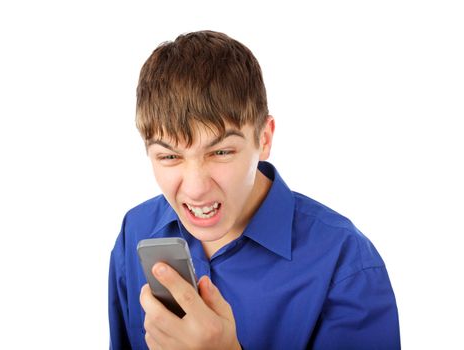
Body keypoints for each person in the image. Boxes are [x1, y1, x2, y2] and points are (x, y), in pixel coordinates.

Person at [108, 30, 400, 349]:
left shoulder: (347, 264)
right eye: (169, 156)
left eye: (221, 152)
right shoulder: (136, 231)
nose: (195, 189)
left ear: (264, 139)